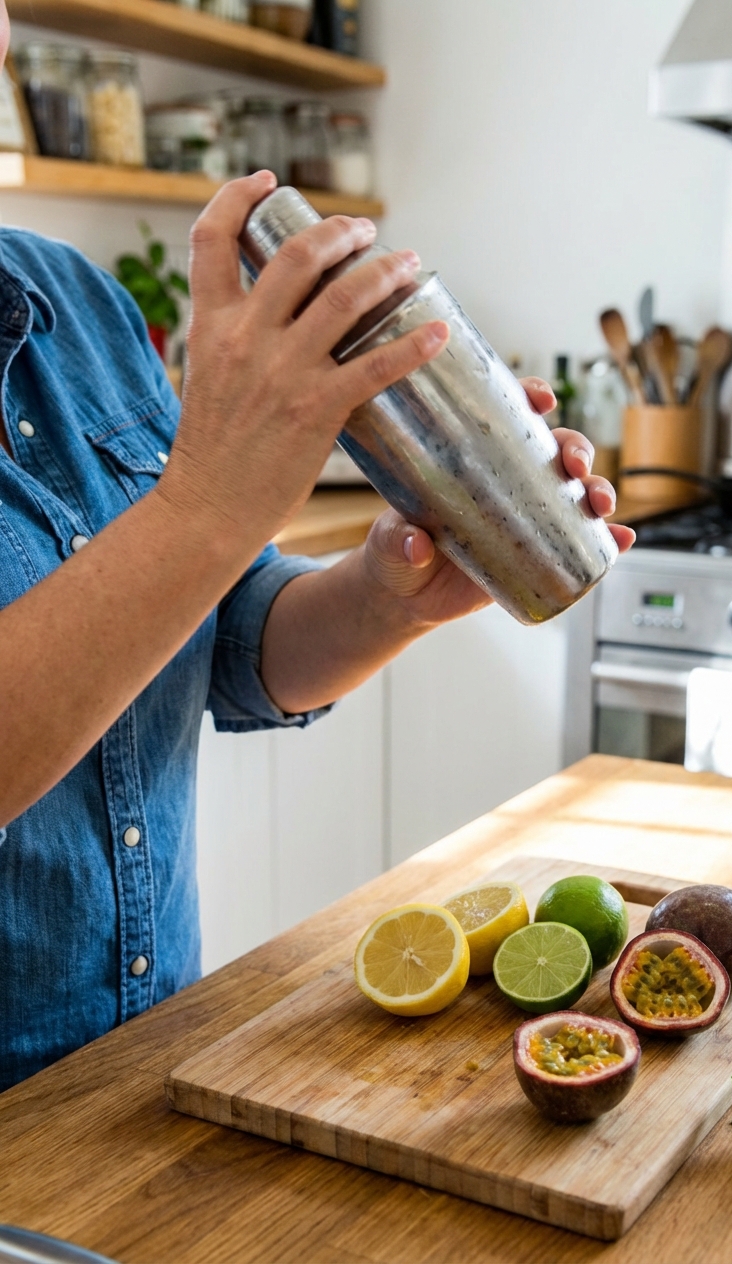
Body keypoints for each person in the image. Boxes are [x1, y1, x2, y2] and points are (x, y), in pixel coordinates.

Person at [0, 6, 634, 1091]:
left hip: (145, 1073)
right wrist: (205, 502)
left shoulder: (81, 304)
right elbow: (190, 537)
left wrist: (391, 592)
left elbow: (226, 640)